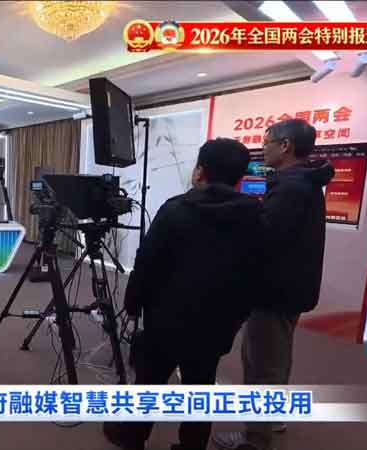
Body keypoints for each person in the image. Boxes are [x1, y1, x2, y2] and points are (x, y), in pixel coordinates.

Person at [103, 138, 264, 450]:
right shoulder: (255, 215)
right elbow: (257, 272)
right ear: (240, 176)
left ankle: (132, 438)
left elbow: (147, 263)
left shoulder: (175, 209)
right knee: (201, 387)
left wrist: (133, 304)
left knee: (149, 384)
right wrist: (238, 317)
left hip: (166, 321)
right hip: (218, 324)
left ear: (200, 171)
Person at [213, 119, 334, 450]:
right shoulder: (304, 180)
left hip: (274, 291)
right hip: (292, 288)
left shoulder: (291, 188)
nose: (262, 149)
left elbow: (265, 238)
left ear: (285, 146)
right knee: (278, 356)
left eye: (266, 142)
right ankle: (274, 417)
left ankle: (255, 438)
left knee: (262, 364)